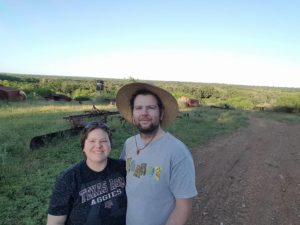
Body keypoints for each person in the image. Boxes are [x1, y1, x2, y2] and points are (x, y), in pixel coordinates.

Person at [116, 82, 198, 225]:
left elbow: (183, 207)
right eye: (138, 108)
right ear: (133, 114)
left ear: (161, 113)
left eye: (151, 108)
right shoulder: (129, 144)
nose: (144, 113)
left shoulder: (178, 152)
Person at [46, 121, 127, 225]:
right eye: (92, 141)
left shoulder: (123, 168)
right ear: (83, 146)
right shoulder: (68, 178)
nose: (98, 145)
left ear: (110, 145)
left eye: (103, 141)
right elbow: (55, 222)